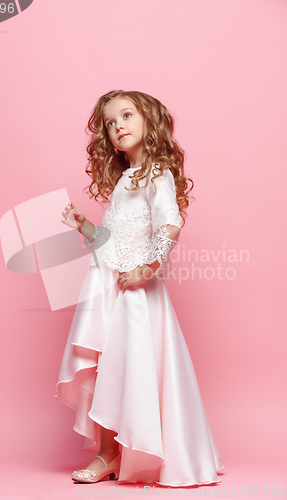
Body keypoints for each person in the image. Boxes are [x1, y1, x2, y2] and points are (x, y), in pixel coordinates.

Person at [55, 90, 224, 487]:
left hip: (134, 291)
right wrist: (84, 226)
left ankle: (111, 454)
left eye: (127, 116)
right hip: (108, 286)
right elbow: (110, 241)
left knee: (126, 370)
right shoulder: (126, 179)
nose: (118, 127)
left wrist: (148, 267)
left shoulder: (156, 174)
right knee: (106, 372)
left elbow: (170, 225)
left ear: (149, 121)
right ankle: (109, 454)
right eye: (110, 123)